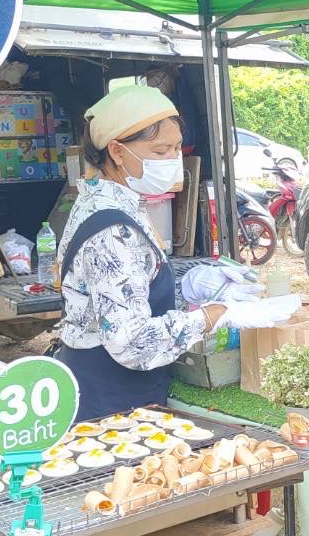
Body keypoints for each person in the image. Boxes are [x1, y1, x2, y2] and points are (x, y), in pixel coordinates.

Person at [54, 83, 227, 420]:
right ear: (117, 152)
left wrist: (188, 285)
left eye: (176, 149)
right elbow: (129, 341)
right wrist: (205, 318)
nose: (172, 160)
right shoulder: (111, 229)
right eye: (161, 151)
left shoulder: (103, 200)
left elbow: (128, 286)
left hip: (106, 385)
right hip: (111, 399)